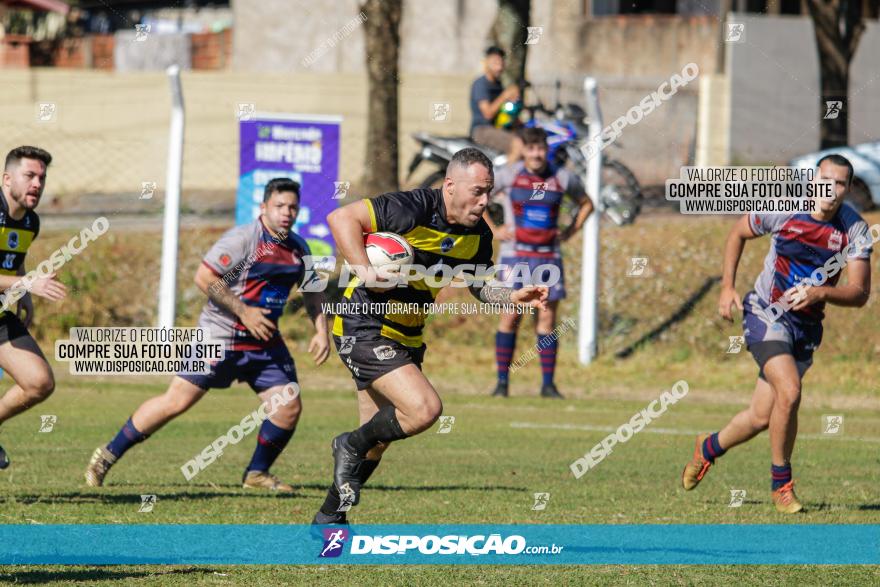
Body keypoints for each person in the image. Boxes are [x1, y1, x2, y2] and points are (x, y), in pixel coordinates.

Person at [312, 148, 548, 524]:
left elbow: (480, 285)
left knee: (379, 439)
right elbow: (341, 217)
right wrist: (366, 272)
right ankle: (347, 444)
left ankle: (329, 519)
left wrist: (511, 295)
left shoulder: (478, 236)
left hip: (406, 333)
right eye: (478, 191)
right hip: (363, 322)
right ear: (450, 185)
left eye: (489, 192)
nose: (485, 201)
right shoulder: (411, 208)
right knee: (424, 410)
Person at [85, 178, 329, 492]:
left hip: (265, 343)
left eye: (292, 207)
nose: (286, 213)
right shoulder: (243, 239)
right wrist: (244, 312)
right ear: (264, 207)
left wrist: (321, 330)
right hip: (220, 336)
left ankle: (256, 474)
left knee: (288, 406)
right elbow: (205, 278)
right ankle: (106, 455)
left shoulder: (298, 247)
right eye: (279, 206)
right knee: (176, 401)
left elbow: (312, 291)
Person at [681, 154, 873, 513]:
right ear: (814, 180)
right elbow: (737, 233)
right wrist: (726, 287)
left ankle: (706, 448)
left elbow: (860, 294)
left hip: (807, 326)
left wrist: (820, 293)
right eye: (826, 180)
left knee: (761, 416)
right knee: (791, 391)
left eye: (841, 184)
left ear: (848, 189)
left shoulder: (855, 230)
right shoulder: (784, 208)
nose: (831, 190)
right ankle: (781, 484)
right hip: (764, 313)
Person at [484, 128, 593, 399]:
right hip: (514, 255)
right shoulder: (509, 176)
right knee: (510, 315)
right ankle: (501, 383)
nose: (536, 154)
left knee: (546, 317)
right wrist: (494, 230)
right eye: (531, 148)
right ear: (523, 150)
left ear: (547, 150)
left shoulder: (562, 177)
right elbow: (479, 198)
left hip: (548, 257)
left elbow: (587, 204)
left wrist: (569, 232)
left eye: (541, 148)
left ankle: (548, 385)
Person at [0, 146, 67, 470]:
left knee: (39, 382)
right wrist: (25, 284)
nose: (37, 184)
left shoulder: (29, 221)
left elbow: (14, 259)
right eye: (30, 176)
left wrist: (21, 287)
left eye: (41, 177)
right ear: (6, 177)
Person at [469, 46, 522, 161]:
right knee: (518, 144)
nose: (499, 67)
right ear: (486, 63)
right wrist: (505, 95)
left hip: (498, 129)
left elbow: (505, 111)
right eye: (495, 63)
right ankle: (507, 178)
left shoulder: (499, 84)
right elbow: (488, 113)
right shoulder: (481, 84)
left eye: (501, 63)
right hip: (482, 130)